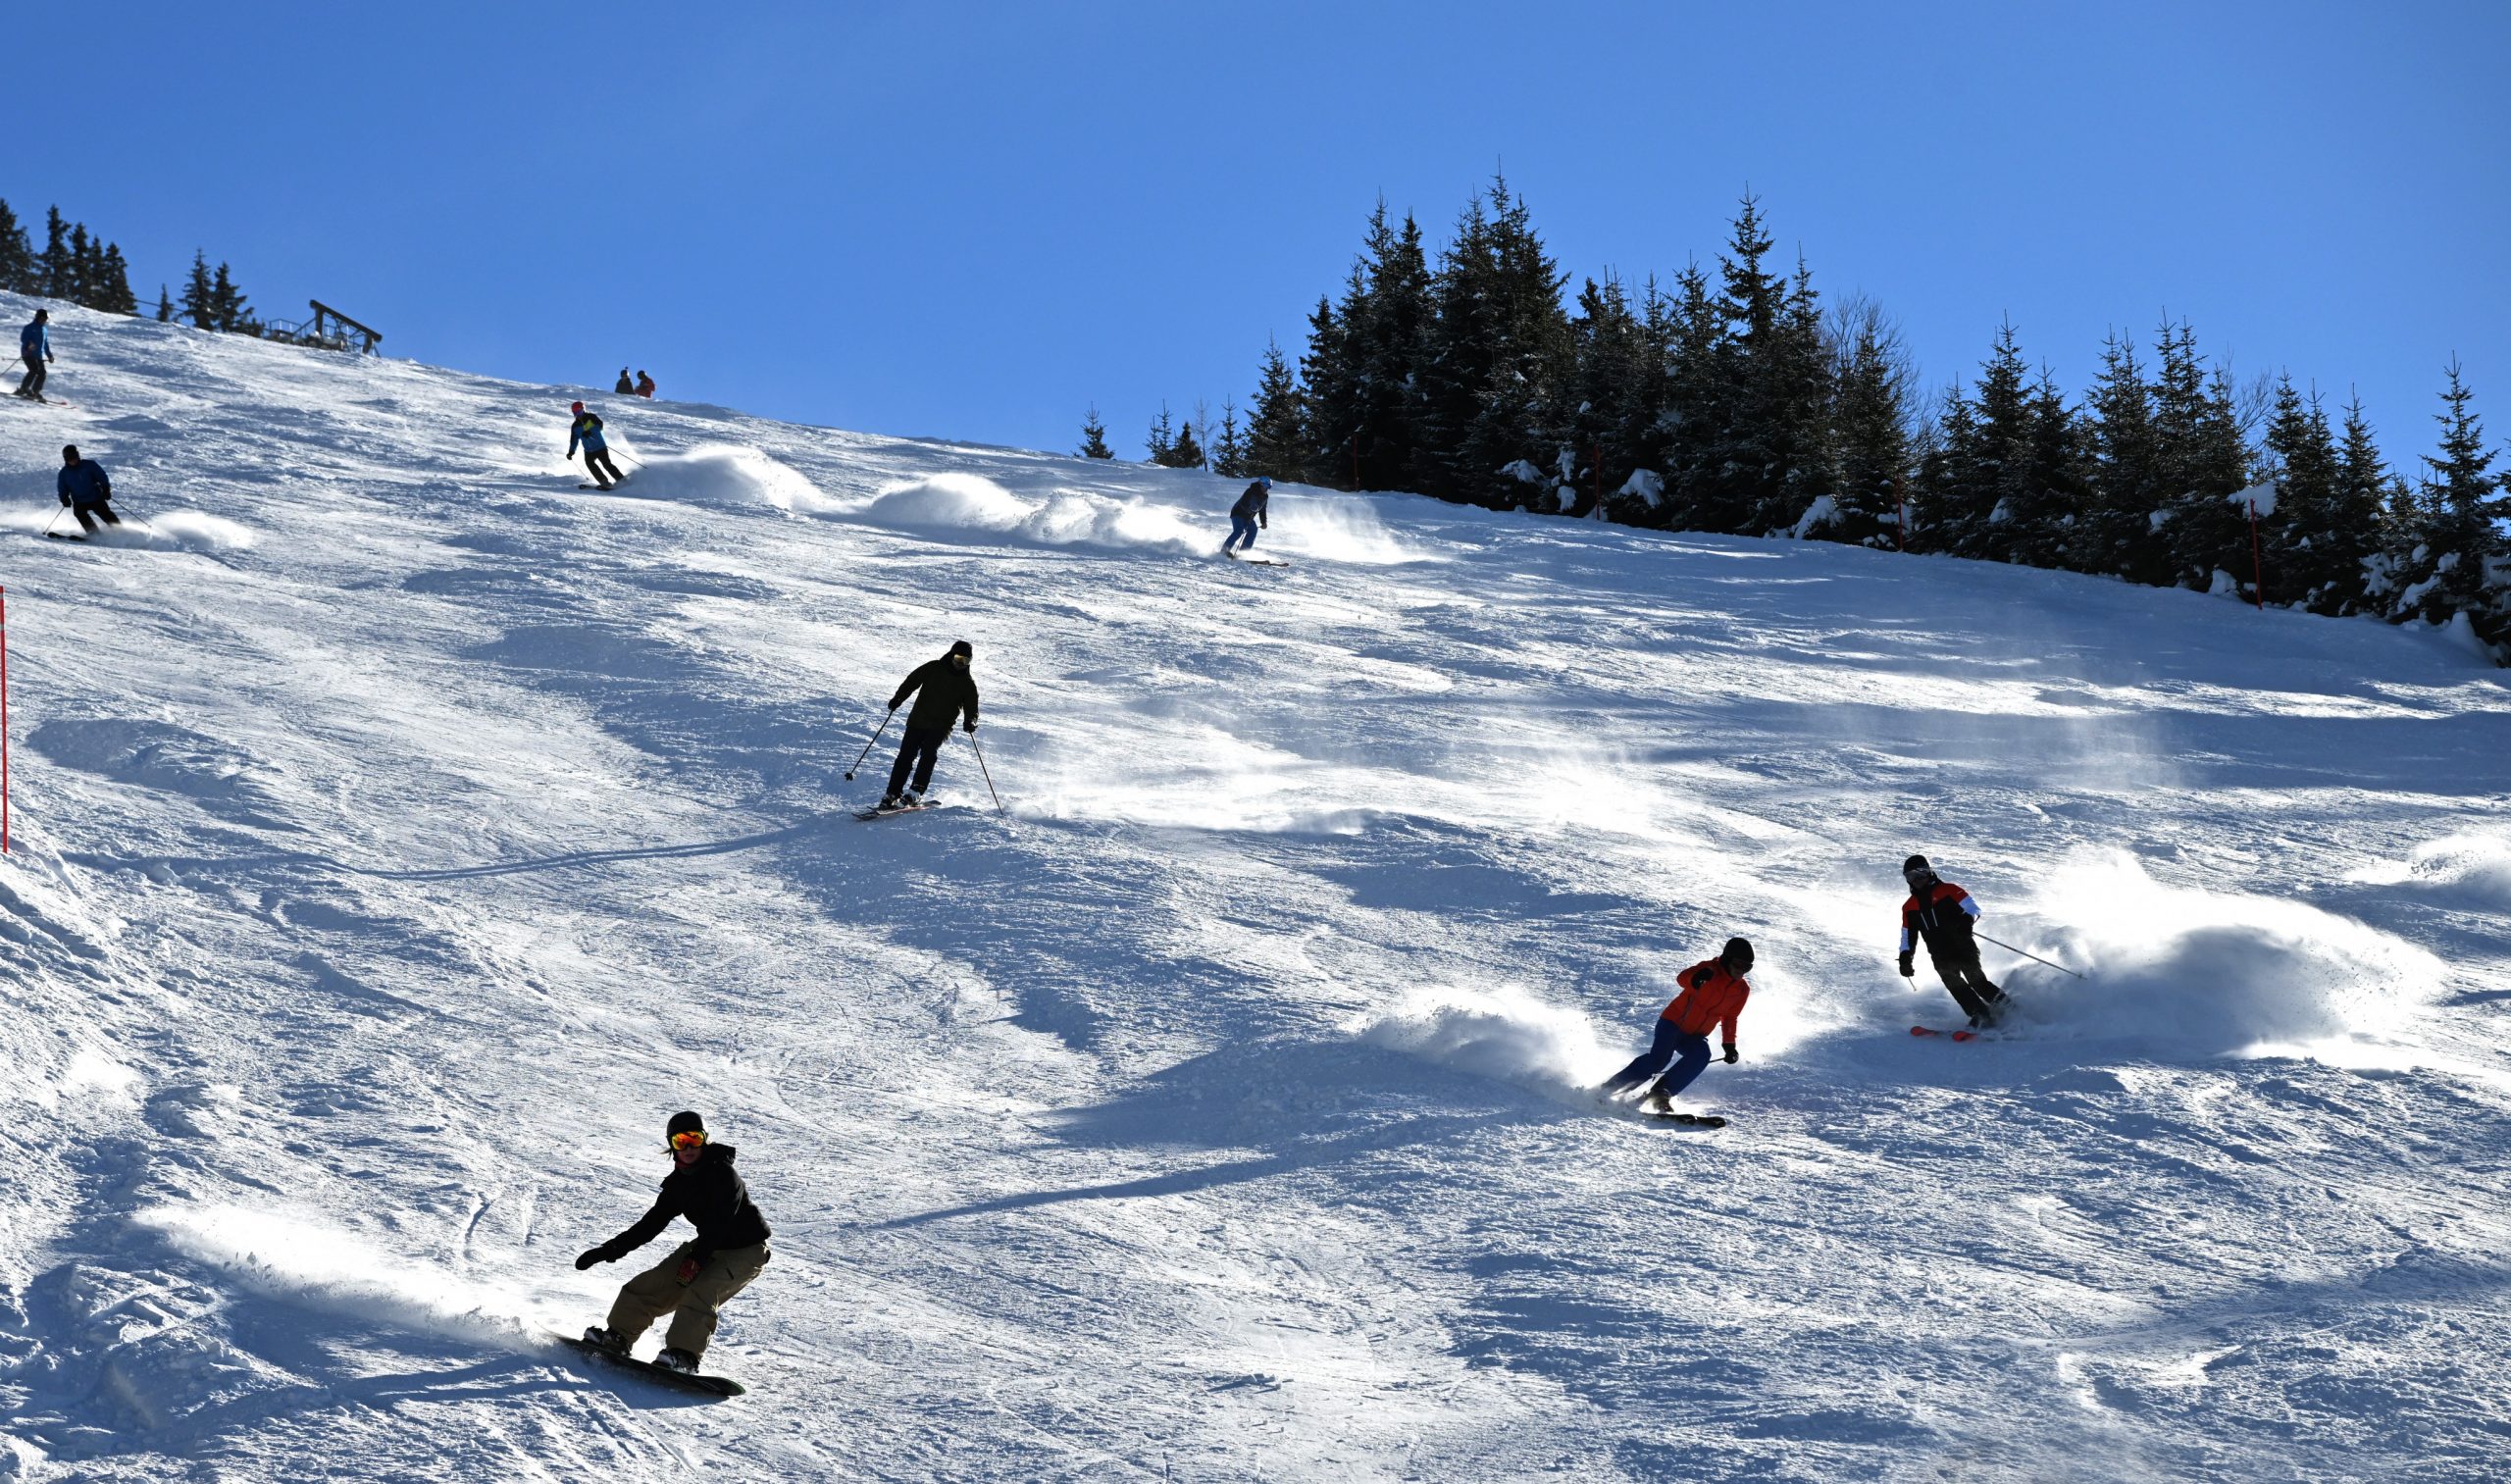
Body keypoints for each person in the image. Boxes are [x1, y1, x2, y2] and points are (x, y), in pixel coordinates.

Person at [576, 1111, 773, 1373]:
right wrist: (609, 1250)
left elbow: (720, 1221)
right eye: (681, 1141)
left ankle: (684, 1356)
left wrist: (697, 1259)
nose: (689, 1147)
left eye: (695, 1138)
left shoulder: (724, 1175)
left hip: (746, 1250)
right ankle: (618, 1337)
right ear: (671, 1144)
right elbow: (651, 1224)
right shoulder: (678, 1185)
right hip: (708, 1245)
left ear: (705, 1140)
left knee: (700, 1291)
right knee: (652, 1284)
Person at [1598, 938, 1754, 1113]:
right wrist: (1696, 978)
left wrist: (1729, 1046)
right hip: (1672, 1023)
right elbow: (1682, 978)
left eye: (1747, 967)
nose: (1741, 971)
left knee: (1701, 1055)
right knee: (1659, 1060)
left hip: (1695, 1036)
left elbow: (1730, 1017)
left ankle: (1660, 1094)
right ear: (1727, 959)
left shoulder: (1741, 990)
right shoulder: (1709, 970)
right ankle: (1610, 1088)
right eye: (1739, 964)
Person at [1897, 854, 2010, 1028]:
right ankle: (1981, 1015)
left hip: (1962, 945)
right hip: (1939, 953)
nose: (1916, 880)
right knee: (1953, 984)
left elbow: (1973, 908)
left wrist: (1966, 921)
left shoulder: (1949, 890)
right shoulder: (1909, 906)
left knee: (1976, 981)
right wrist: (1905, 957)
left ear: (1928, 872)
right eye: (1910, 877)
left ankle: (2009, 1009)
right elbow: (1908, 935)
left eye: (1919, 874)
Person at [881, 640, 980, 808]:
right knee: (905, 755)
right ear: (951, 655)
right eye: (958, 658)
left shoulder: (967, 684)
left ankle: (916, 790)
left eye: (965, 661)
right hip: (918, 719)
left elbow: (972, 708)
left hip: (941, 726)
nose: (960, 664)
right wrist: (899, 698)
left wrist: (970, 721)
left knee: (928, 752)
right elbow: (912, 681)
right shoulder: (933, 668)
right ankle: (893, 792)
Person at [56, 444, 121, 535]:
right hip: (79, 501)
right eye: (69, 458)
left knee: (105, 514)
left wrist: (106, 489)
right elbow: (62, 487)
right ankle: (94, 533)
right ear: (65, 459)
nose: (73, 460)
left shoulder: (89, 465)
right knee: (79, 513)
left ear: (78, 455)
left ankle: (120, 531)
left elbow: (102, 477)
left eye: (74, 457)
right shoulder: (64, 473)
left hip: (95, 497)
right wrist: (64, 498)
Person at [567, 400, 625, 489]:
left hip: (600, 447)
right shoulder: (575, 426)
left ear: (583, 409)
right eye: (575, 412)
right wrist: (571, 452)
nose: (577, 414)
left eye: (579, 411)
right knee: (590, 464)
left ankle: (621, 480)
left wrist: (590, 431)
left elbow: (600, 425)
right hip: (588, 450)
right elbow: (574, 440)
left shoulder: (591, 417)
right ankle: (604, 481)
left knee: (606, 464)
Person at [1221, 476, 1271, 555]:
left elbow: (1262, 509)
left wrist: (1264, 521)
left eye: (1269, 487)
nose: (1267, 488)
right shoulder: (1251, 490)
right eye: (1266, 486)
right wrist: (1253, 509)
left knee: (1253, 529)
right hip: (1238, 513)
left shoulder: (1265, 496)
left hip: (1248, 517)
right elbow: (1246, 503)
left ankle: (1243, 552)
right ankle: (1224, 551)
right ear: (1261, 484)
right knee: (1238, 531)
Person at [16, 309, 53, 401]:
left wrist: (49, 355)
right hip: (28, 353)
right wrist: (29, 344)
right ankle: (24, 389)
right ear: (37, 317)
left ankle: (35, 391)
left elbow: (45, 344)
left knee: (42, 373)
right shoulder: (29, 327)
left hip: (38, 355)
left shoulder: (44, 330)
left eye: (45, 319)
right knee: (34, 369)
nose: (44, 321)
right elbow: (23, 338)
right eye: (42, 318)